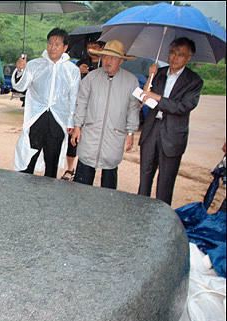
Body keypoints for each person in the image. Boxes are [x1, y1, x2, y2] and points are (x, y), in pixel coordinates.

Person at [138, 37, 203, 205]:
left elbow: (183, 107)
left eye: (180, 55)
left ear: (188, 58)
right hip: (152, 130)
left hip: (173, 135)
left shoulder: (194, 81)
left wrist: (158, 97)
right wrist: (150, 77)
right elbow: (145, 97)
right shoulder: (159, 73)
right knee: (144, 177)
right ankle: (138, 211)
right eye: (173, 53)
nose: (175, 58)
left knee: (165, 182)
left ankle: (162, 217)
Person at [71, 39, 140, 189]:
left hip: (114, 134)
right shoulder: (91, 78)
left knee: (109, 177)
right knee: (82, 180)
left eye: (113, 58)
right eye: (106, 57)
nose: (108, 61)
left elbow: (133, 108)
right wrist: (77, 125)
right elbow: (81, 102)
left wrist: (130, 132)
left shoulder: (131, 81)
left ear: (121, 61)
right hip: (91, 133)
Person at [12, 28, 80, 178]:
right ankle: (23, 192)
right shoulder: (35, 65)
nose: (52, 48)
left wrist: (70, 122)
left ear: (65, 47)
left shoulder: (72, 70)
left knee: (52, 162)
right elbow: (20, 86)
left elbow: (73, 98)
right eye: (50, 43)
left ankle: (48, 194)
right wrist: (20, 71)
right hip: (37, 118)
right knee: (29, 158)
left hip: (57, 121)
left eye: (57, 44)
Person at [62, 38, 105, 181]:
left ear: (102, 47)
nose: (92, 49)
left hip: (98, 108)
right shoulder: (81, 63)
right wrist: (79, 73)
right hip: (81, 107)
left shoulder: (105, 64)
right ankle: (70, 169)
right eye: (89, 46)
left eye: (95, 46)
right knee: (73, 139)